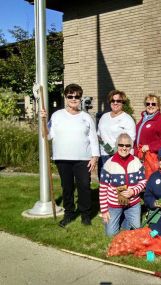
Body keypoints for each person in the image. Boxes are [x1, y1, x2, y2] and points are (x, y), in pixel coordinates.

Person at [42, 83, 99, 227]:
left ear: (80, 98)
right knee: (67, 187)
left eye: (77, 96)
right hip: (62, 158)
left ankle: (85, 214)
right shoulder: (56, 115)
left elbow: (93, 137)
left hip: (83, 159)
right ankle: (69, 213)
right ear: (65, 97)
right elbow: (47, 135)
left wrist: (95, 157)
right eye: (70, 96)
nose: (74, 99)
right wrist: (42, 120)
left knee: (84, 186)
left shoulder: (86, 117)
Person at [99, 133, 146, 236]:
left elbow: (143, 182)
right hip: (114, 204)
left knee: (136, 230)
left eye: (127, 145)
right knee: (110, 234)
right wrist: (104, 210)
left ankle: (125, 218)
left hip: (133, 203)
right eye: (121, 145)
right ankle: (119, 217)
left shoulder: (137, 162)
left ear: (131, 147)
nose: (124, 148)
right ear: (117, 146)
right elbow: (103, 189)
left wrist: (133, 191)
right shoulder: (108, 164)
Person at [134, 93, 161, 178]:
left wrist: (150, 146)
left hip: (152, 158)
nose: (150, 106)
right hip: (141, 157)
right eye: (148, 104)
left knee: (152, 180)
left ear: (158, 106)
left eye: (153, 104)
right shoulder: (143, 119)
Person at [97, 90, 136, 165]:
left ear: (122, 102)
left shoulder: (127, 119)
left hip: (121, 156)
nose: (115, 103)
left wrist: (114, 151)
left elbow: (131, 140)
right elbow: (99, 135)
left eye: (118, 101)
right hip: (103, 155)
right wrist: (107, 148)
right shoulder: (104, 117)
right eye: (113, 100)